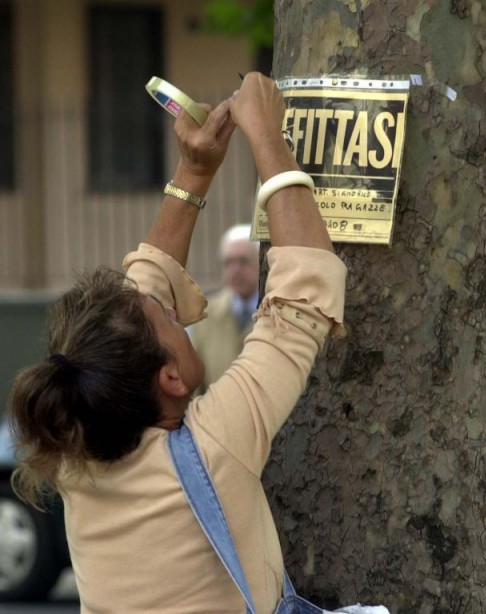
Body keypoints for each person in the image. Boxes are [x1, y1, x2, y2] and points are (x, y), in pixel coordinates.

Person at [9, 72, 346, 613]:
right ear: (170, 378)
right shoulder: (216, 446)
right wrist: (266, 137)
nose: (169, 304)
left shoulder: (78, 457)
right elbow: (303, 296)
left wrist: (194, 169)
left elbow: (144, 291)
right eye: (170, 317)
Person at [190, 223, 260, 389]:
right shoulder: (205, 315)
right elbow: (194, 380)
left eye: (243, 261)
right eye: (228, 262)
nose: (236, 270)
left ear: (261, 262)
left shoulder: (277, 313)